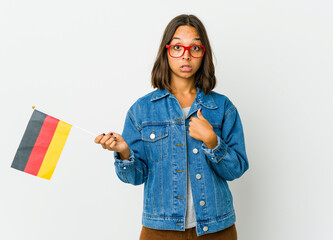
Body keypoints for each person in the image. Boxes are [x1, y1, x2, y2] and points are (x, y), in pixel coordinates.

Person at [94, 14, 249, 240]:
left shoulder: (222, 107)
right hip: (159, 231)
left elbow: (236, 170)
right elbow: (135, 177)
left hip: (217, 229)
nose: (186, 55)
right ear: (166, 51)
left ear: (203, 53)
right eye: (177, 46)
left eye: (195, 48)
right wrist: (125, 153)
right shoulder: (141, 110)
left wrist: (212, 141)